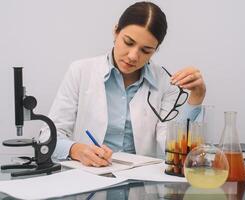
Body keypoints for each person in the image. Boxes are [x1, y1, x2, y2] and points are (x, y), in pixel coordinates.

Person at [40, 1, 206, 167]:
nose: (133, 56)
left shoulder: (166, 83)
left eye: (146, 50)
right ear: (115, 32)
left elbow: (172, 148)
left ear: (156, 50)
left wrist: (196, 98)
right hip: (89, 178)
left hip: (141, 185)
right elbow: (48, 136)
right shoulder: (81, 71)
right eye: (128, 42)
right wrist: (77, 150)